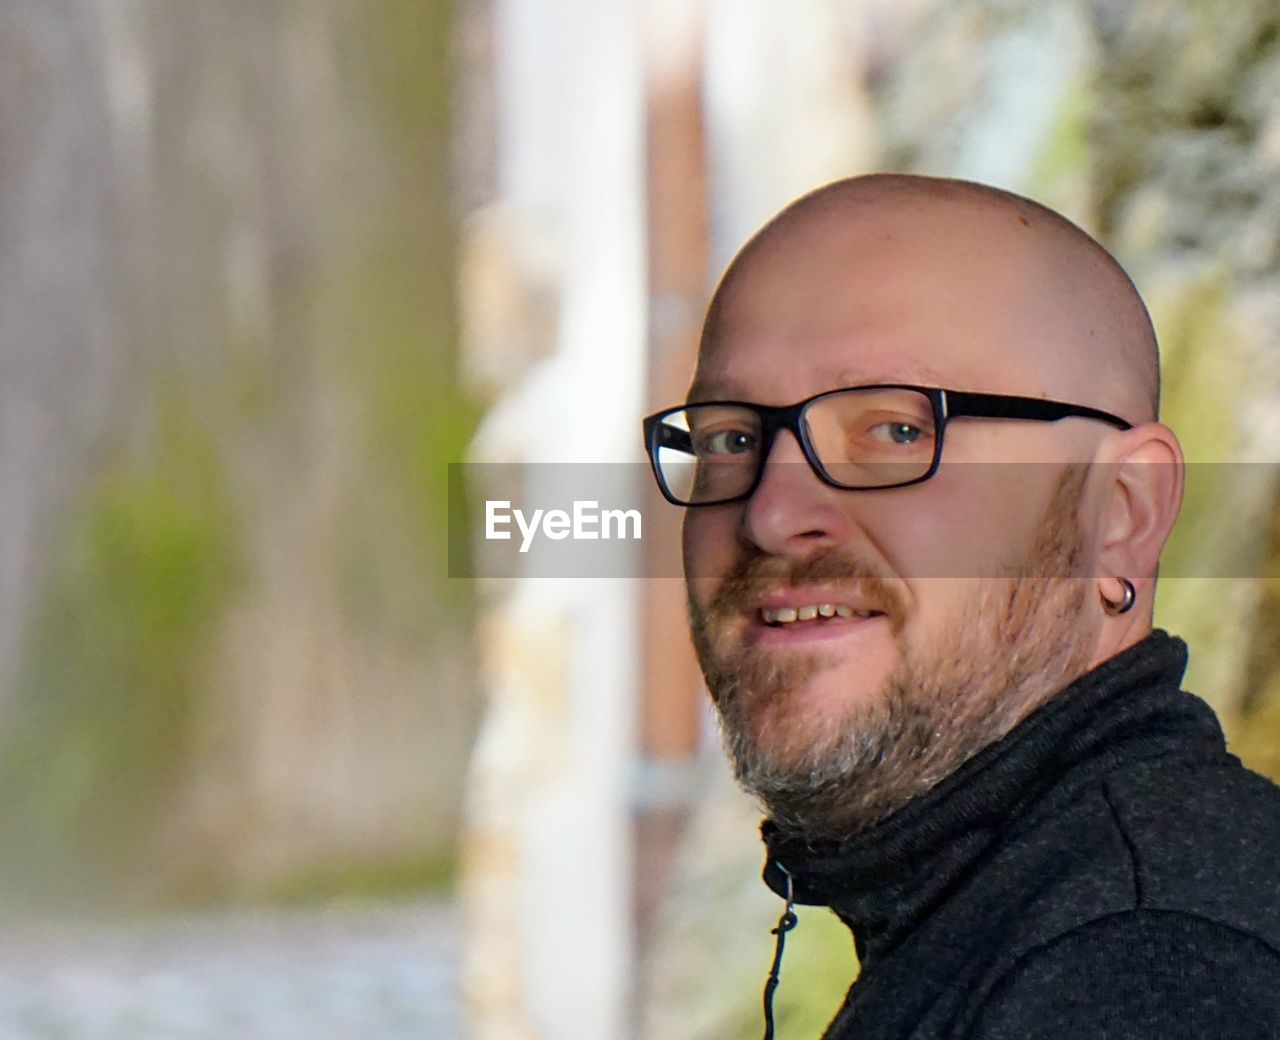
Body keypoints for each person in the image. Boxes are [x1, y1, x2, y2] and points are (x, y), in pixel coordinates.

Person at [642, 174, 1280, 1039]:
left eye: (896, 430)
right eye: (732, 440)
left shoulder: (1139, 968)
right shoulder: (1023, 916)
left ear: (1123, 513)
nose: (770, 514)